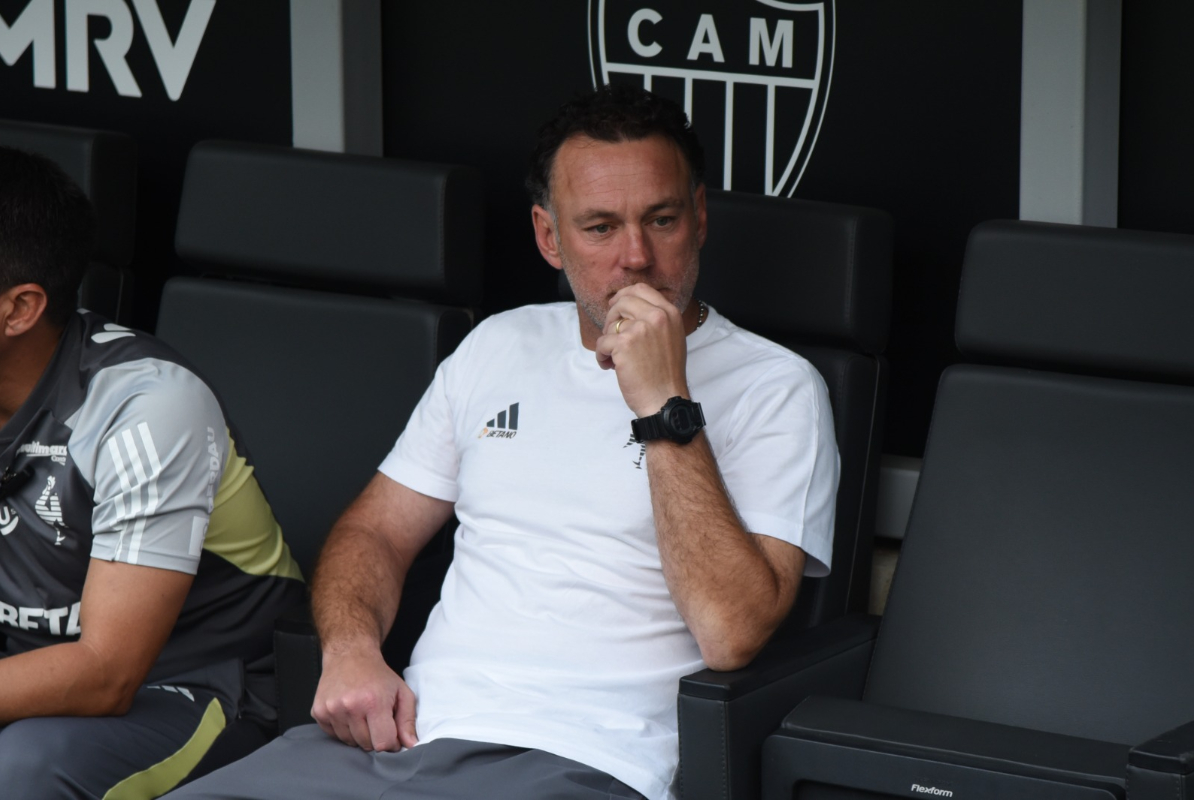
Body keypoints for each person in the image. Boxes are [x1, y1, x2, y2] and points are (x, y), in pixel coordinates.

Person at [170, 84, 839, 800]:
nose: (636, 257)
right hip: (403, 738)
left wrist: (663, 402)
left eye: (662, 219)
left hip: (585, 760)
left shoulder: (776, 387)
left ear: (700, 218)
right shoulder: (500, 344)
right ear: (550, 237)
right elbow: (375, 531)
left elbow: (732, 633)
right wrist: (352, 648)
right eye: (600, 228)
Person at [0, 145, 306, 798]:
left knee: (21, 767)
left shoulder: (143, 406)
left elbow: (106, 671)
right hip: (27, 664)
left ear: (18, 308)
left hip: (200, 684)